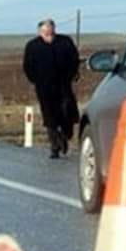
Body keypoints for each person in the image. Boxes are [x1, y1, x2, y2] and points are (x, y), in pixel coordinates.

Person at [22, 18, 80, 158]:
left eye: (51, 30)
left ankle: (65, 135)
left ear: (54, 29)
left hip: (64, 84)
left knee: (67, 111)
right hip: (44, 87)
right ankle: (55, 146)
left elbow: (74, 59)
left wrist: (72, 75)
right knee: (50, 117)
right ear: (40, 32)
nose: (49, 33)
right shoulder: (33, 46)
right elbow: (28, 66)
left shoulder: (65, 42)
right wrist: (36, 80)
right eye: (45, 31)